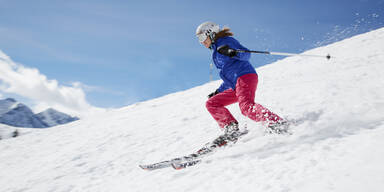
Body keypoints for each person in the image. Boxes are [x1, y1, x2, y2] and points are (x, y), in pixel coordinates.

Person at [196, 21, 288, 140]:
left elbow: (247, 55)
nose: (202, 42)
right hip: (237, 84)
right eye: (199, 39)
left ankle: (275, 122)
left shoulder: (226, 41)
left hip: (245, 77)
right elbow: (229, 76)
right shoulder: (216, 51)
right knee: (212, 103)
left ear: (211, 33)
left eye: (202, 37)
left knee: (246, 107)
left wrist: (233, 52)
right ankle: (230, 128)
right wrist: (219, 91)